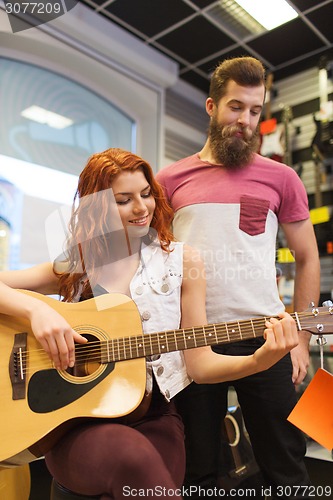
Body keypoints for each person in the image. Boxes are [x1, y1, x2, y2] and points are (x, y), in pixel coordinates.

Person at [0, 148, 298, 499]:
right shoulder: (78, 264)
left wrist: (258, 360)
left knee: (150, 471)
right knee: (134, 459)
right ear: (96, 207)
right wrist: (38, 312)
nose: (142, 208)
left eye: (146, 194)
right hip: (74, 424)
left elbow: (199, 365)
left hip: (154, 416)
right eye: (124, 200)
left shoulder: (182, 261)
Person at [156, 57, 320, 500]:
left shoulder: (282, 178)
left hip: (266, 334)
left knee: (287, 462)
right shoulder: (169, 179)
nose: (245, 121)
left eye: (254, 110)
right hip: (191, 341)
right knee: (197, 469)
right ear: (211, 106)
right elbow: (153, 264)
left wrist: (300, 338)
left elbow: (307, 258)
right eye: (235, 107)